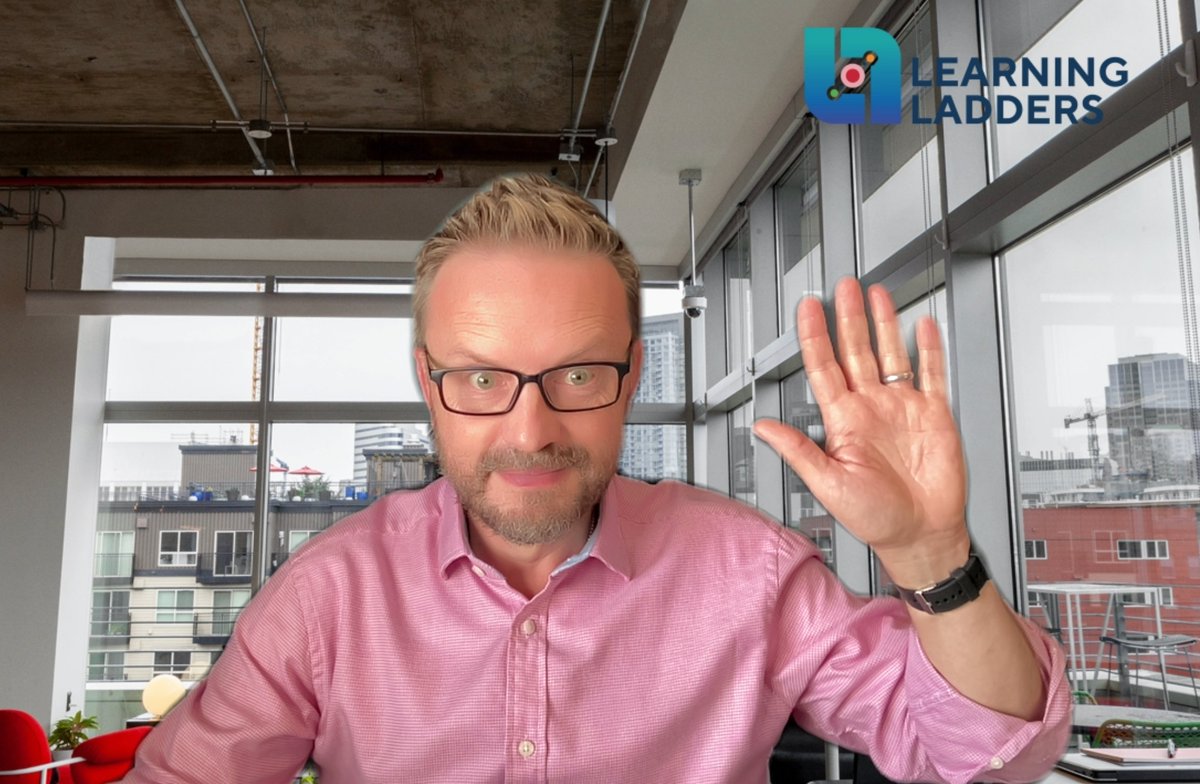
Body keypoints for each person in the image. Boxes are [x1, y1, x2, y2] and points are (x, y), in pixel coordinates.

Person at [121, 174, 1070, 783]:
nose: (530, 430)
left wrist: (930, 551)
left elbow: (988, 755)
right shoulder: (329, 597)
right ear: (428, 385)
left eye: (577, 374)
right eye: (483, 379)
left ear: (632, 378)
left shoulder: (748, 574)